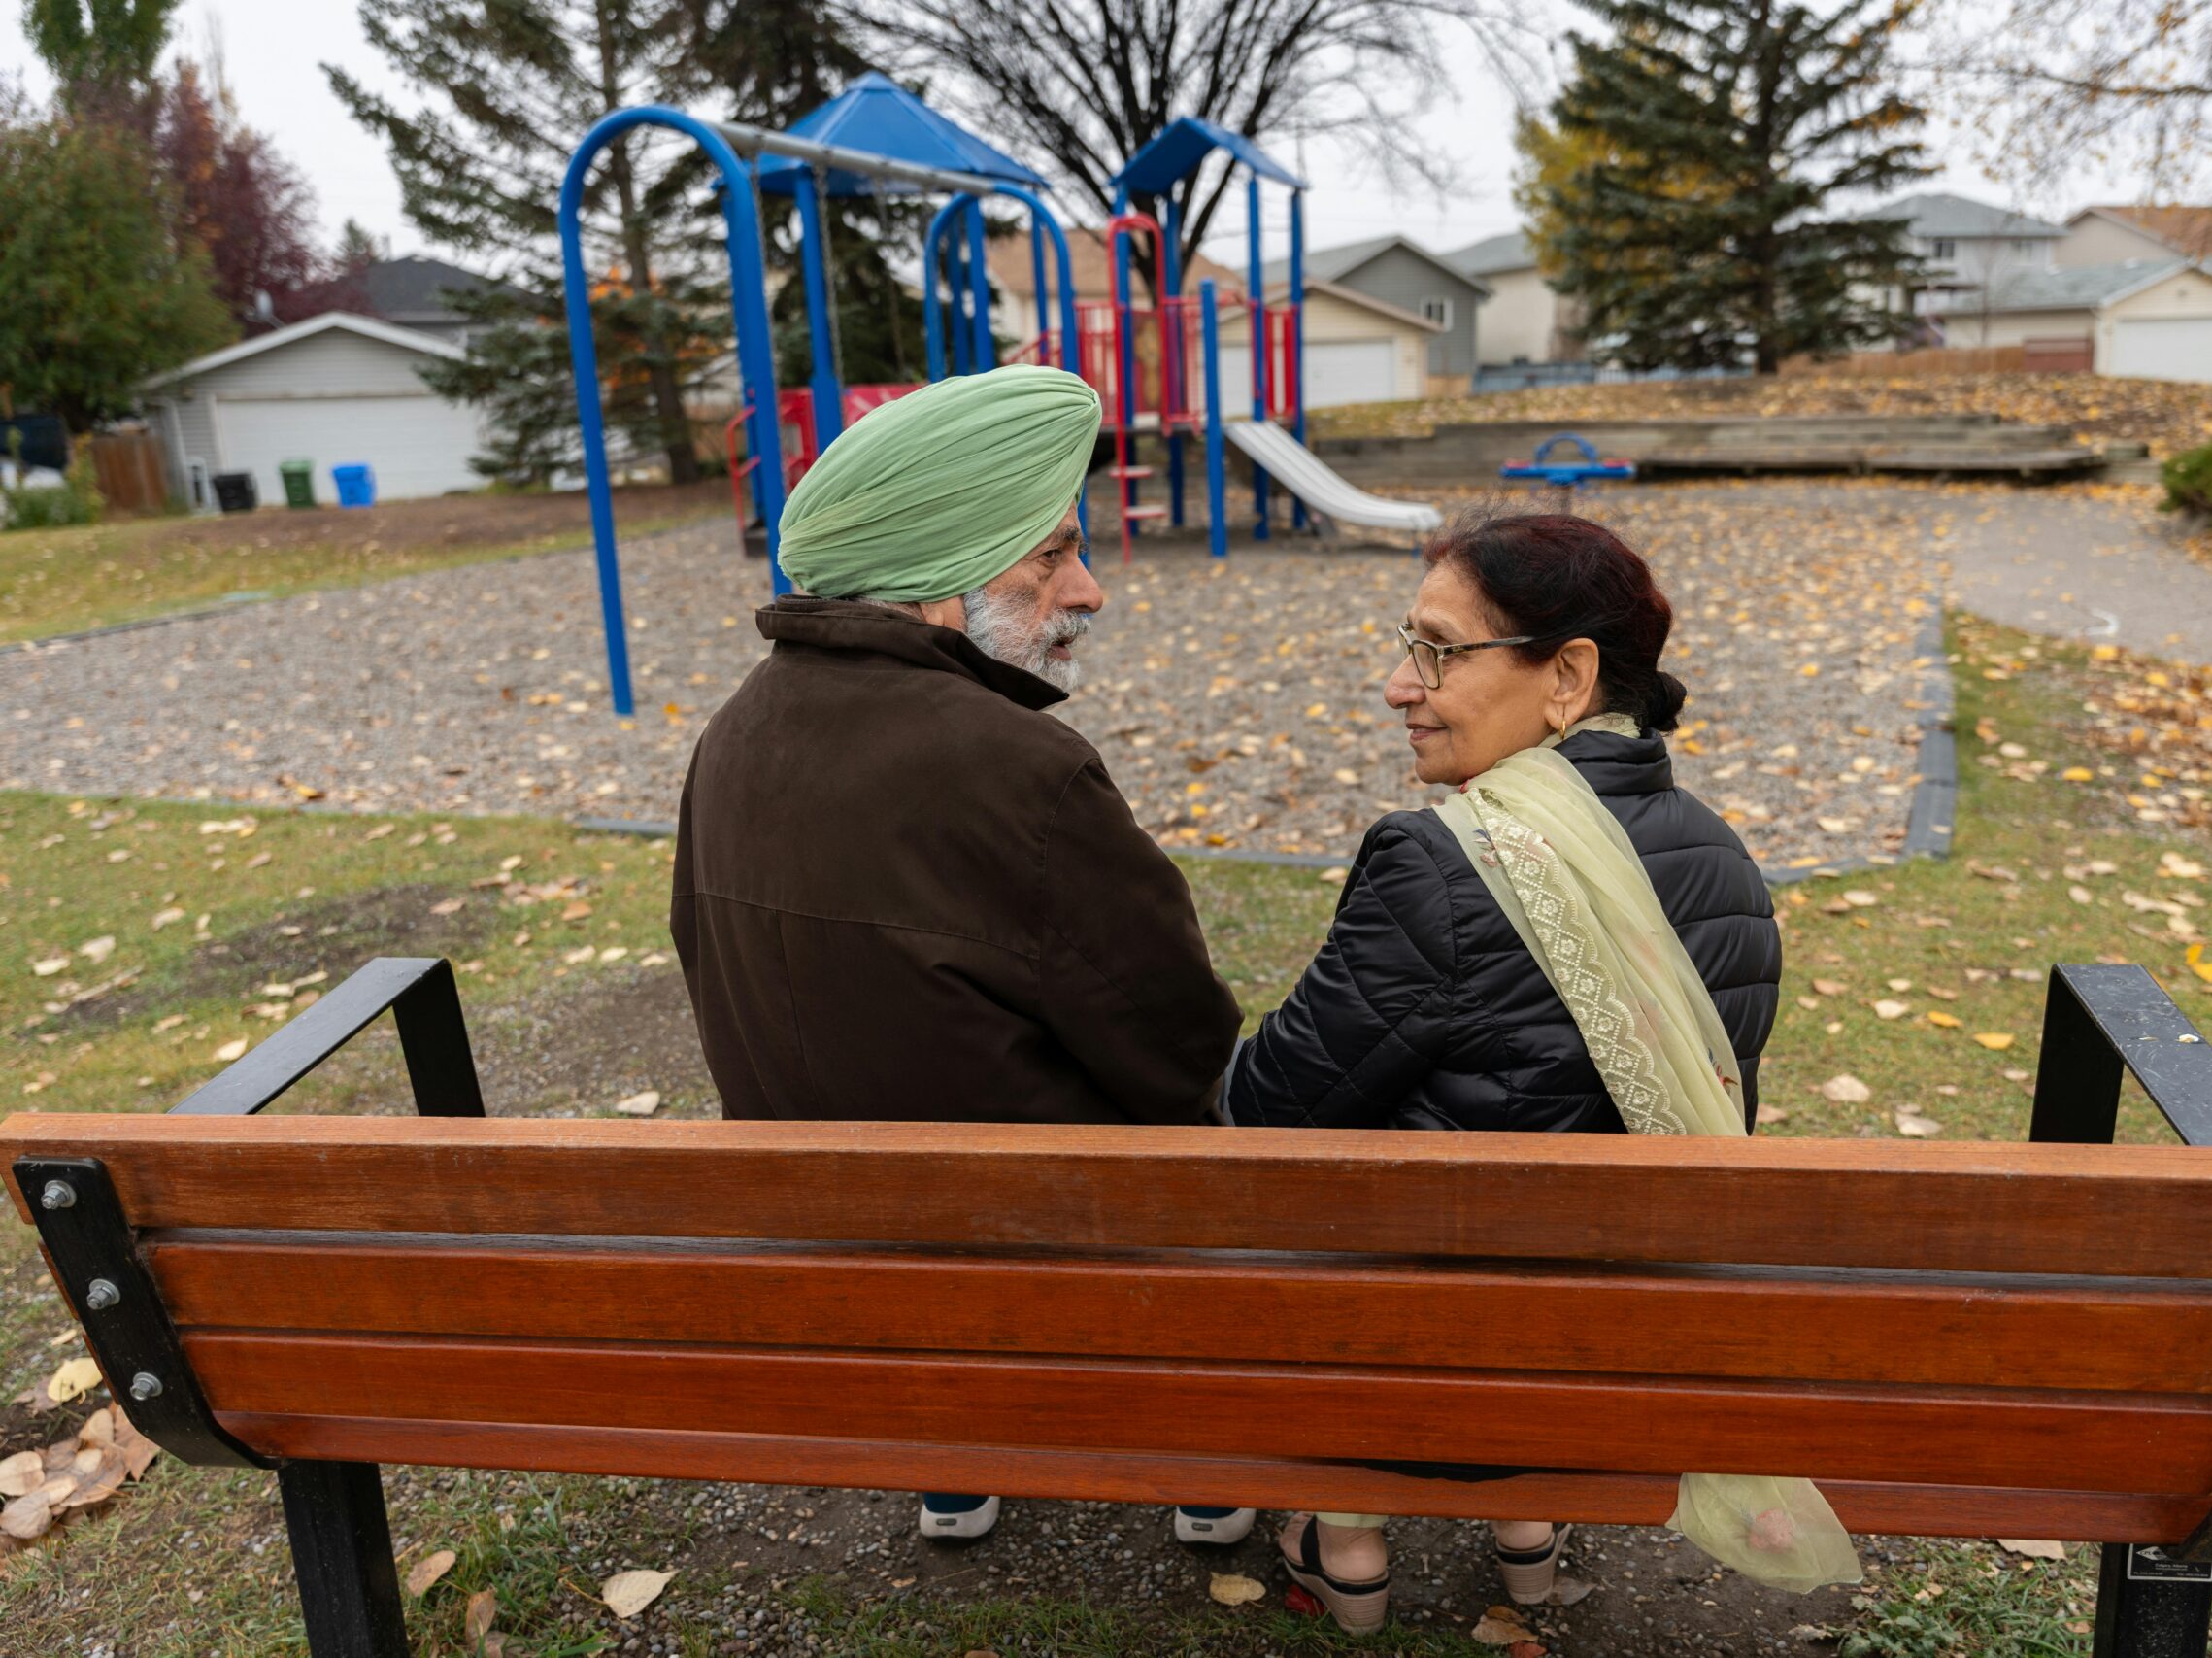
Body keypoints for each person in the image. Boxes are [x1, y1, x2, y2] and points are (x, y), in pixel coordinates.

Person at [1225, 511, 1855, 1632]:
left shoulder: (1436, 865)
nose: (1395, 686)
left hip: (1428, 1381)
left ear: (1567, 675)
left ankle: (1347, 1535)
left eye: (1435, 650)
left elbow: (1268, 1110)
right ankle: (1528, 1534)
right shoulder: (1724, 855)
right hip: (1608, 1376)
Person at [671, 363, 1249, 1547]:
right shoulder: (1018, 770)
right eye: (1048, 560)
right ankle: (1195, 1453)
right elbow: (1175, 1040)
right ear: (937, 585)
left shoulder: (736, 730)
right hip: (1035, 1247)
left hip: (831, 1241)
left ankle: (952, 1457)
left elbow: (701, 952)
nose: (1085, 591)